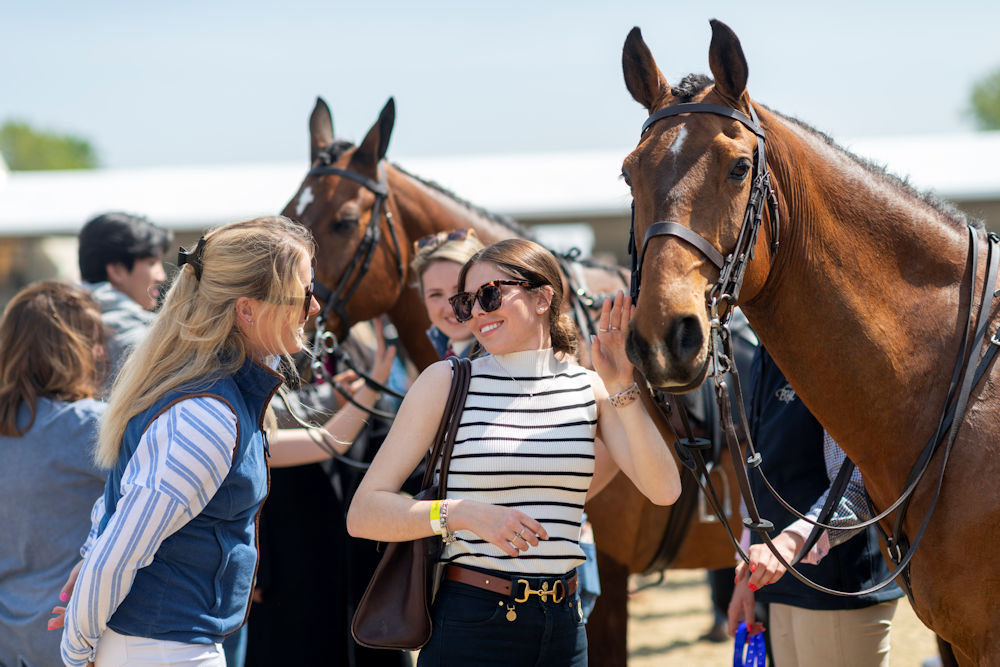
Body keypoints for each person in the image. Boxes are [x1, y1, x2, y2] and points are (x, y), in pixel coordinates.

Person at [54, 215, 394, 666]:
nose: (314, 309)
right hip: (165, 649)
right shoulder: (207, 413)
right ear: (247, 310)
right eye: (305, 294)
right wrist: (77, 652)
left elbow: (115, 525)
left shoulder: (211, 396)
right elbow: (118, 553)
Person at [347, 238, 682, 666]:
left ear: (543, 297)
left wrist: (622, 387)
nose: (477, 312)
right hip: (471, 620)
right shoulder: (446, 381)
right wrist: (462, 513)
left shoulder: (591, 389)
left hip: (565, 625)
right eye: (467, 302)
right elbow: (363, 513)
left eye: (491, 294)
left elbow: (665, 490)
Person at [727, 346, 903, 666]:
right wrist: (748, 574)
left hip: (837, 587)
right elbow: (758, 473)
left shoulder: (830, 348)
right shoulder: (763, 353)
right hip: (781, 586)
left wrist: (790, 542)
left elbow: (858, 490)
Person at [0, 282, 108, 667]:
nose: (100, 351)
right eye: (93, 339)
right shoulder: (87, 425)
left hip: (8, 634)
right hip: (71, 639)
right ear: (70, 347)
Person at [77, 211, 172, 386]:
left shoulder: (58, 322)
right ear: (117, 270)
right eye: (151, 263)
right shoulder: (139, 340)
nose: (162, 276)